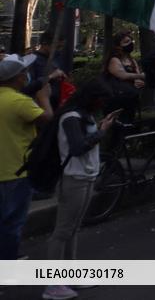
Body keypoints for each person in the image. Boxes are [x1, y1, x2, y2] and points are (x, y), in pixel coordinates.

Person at [43, 80, 119, 300]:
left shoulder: (83, 115)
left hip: (85, 176)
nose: (102, 104)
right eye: (101, 100)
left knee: (73, 229)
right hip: (73, 178)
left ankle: (70, 275)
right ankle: (52, 284)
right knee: (63, 231)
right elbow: (77, 147)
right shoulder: (71, 118)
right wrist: (102, 131)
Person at [0, 54, 54, 259]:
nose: (27, 76)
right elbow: (47, 118)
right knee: (12, 223)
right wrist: (44, 98)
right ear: (18, 77)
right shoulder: (20, 101)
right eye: (25, 73)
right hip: (16, 171)